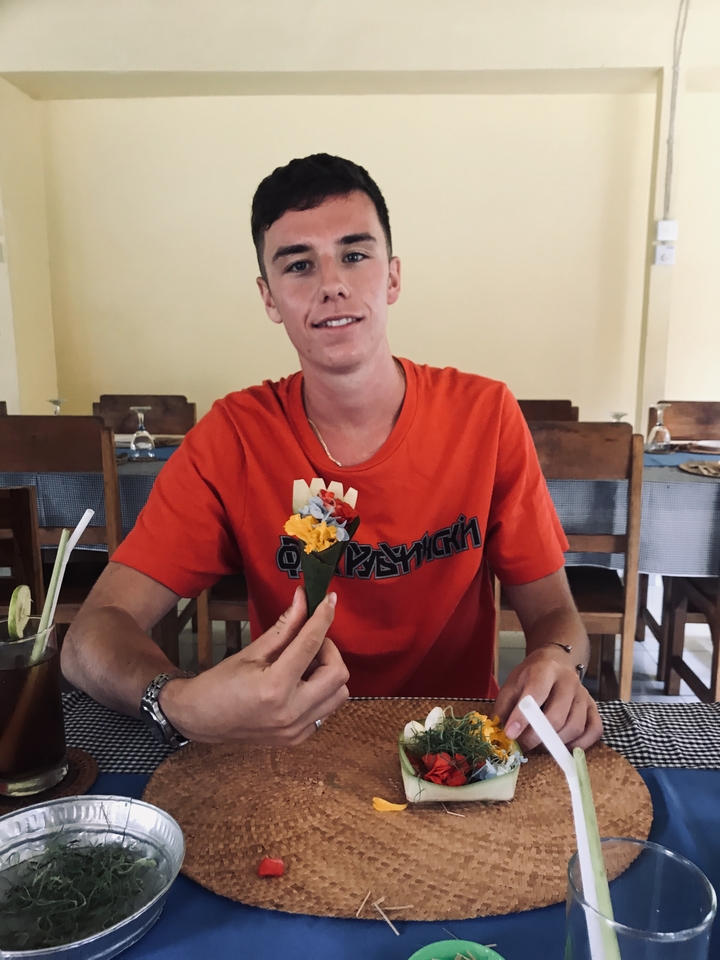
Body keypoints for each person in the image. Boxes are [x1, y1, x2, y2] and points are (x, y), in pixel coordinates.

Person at [61, 154, 602, 752]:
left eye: (354, 254)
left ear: (392, 277)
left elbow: (559, 618)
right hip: (291, 748)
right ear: (269, 298)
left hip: (459, 747)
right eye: (299, 265)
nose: (331, 284)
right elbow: (90, 637)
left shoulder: (486, 416)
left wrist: (558, 661)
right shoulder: (233, 437)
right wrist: (175, 700)